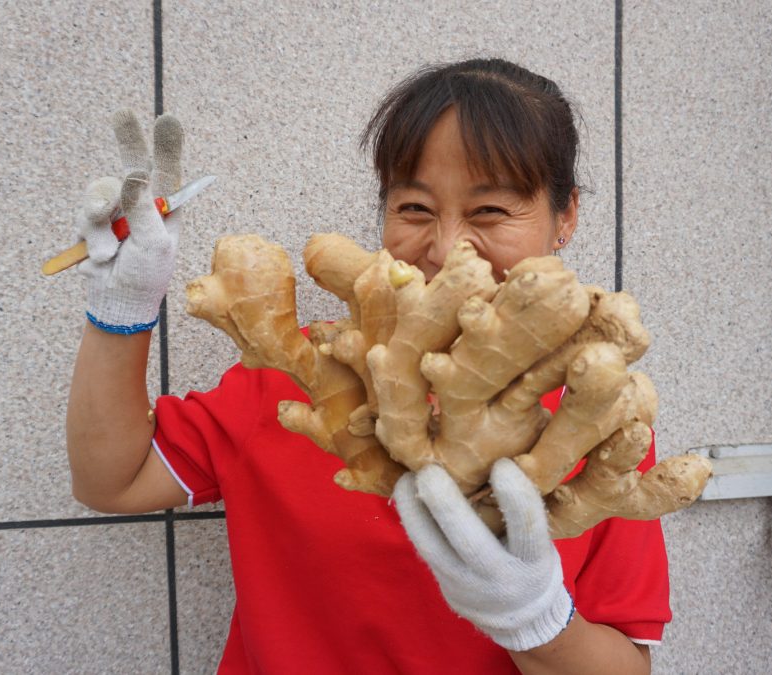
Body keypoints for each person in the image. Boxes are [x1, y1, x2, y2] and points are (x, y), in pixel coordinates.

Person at [66, 58, 670, 675]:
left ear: (564, 215)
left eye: (490, 211)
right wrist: (122, 308)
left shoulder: (592, 411)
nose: (447, 248)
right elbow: (112, 480)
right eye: (414, 208)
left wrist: (538, 621)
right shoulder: (299, 370)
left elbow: (626, 664)